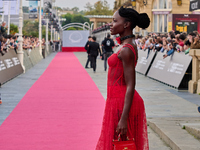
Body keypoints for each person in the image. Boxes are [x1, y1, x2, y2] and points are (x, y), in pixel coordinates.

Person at [96, 5, 150, 150]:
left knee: (122, 145)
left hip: (122, 104)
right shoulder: (128, 45)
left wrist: (124, 118)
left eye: (114, 21)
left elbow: (131, 84)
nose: (111, 25)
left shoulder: (127, 50)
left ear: (126, 24)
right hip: (118, 101)